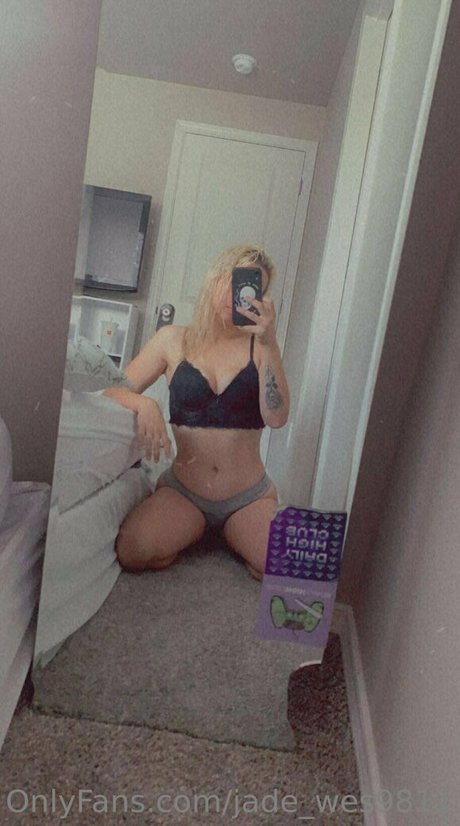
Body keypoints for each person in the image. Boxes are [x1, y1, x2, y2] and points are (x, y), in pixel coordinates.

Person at [104, 245, 290, 579]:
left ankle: (232, 534)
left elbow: (276, 418)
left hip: (249, 497)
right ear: (217, 278)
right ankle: (200, 531)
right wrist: (145, 404)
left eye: (253, 290)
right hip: (184, 493)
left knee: (286, 567)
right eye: (237, 281)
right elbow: (110, 392)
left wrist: (270, 343)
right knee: (133, 550)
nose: (242, 296)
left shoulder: (261, 347)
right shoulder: (172, 340)